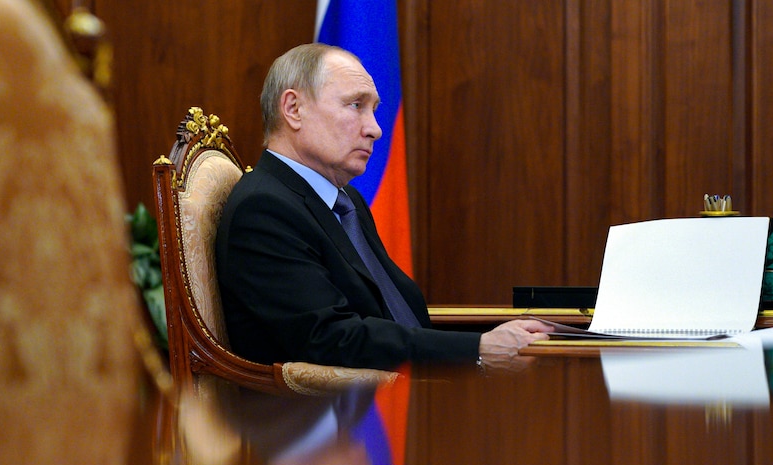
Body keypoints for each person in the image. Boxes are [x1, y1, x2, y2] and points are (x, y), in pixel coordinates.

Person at [215, 43, 552, 373]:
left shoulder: (347, 203)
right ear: (293, 109)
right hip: (328, 420)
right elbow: (330, 338)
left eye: (374, 109)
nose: (375, 129)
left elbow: (390, 316)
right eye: (355, 105)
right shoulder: (264, 209)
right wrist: (477, 350)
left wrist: (489, 339)